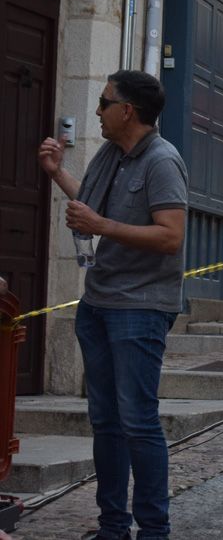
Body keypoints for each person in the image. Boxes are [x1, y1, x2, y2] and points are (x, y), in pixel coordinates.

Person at [38, 70, 188, 540]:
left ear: (128, 111)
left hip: (141, 307)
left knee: (138, 419)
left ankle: (154, 529)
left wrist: (101, 226)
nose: (98, 111)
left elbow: (171, 236)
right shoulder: (109, 153)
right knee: (104, 420)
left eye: (105, 103)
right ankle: (112, 525)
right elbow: (92, 206)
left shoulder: (163, 161)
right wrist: (58, 172)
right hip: (99, 301)